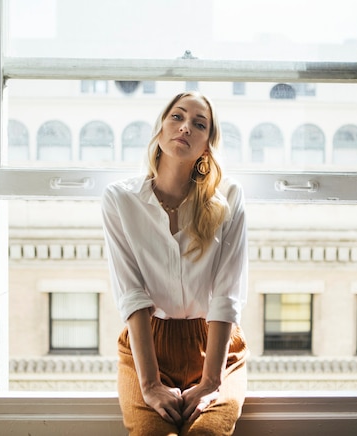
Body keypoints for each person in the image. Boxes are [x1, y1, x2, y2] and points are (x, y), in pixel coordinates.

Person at [101, 91, 249, 436]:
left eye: (199, 124)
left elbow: (227, 294)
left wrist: (212, 381)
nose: (185, 128)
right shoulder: (120, 199)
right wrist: (150, 384)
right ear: (160, 129)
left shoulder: (228, 197)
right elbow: (131, 295)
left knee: (207, 433)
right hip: (148, 344)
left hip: (215, 345)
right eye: (177, 117)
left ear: (207, 146)